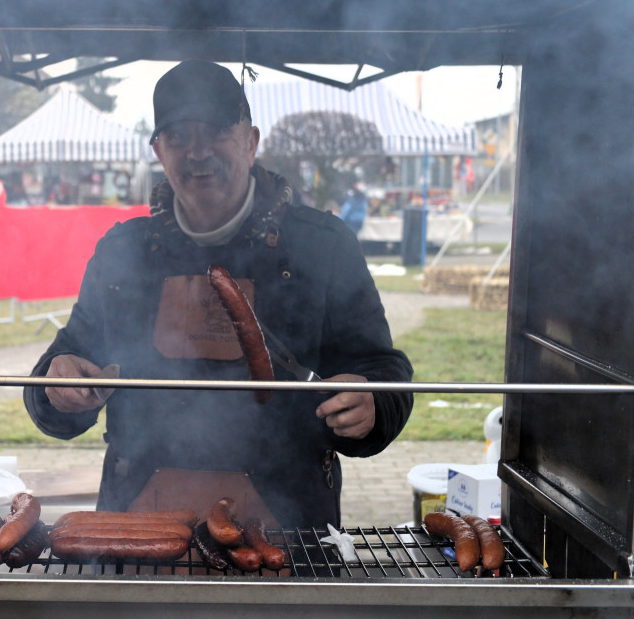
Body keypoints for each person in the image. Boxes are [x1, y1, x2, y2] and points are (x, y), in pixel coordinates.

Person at [23, 60, 413, 528]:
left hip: (288, 524)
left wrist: (375, 405)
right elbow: (61, 368)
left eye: (215, 132)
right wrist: (56, 386)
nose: (197, 152)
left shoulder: (322, 246)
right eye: (178, 137)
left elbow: (384, 371)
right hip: (138, 521)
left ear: (251, 142)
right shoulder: (122, 252)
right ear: (158, 151)